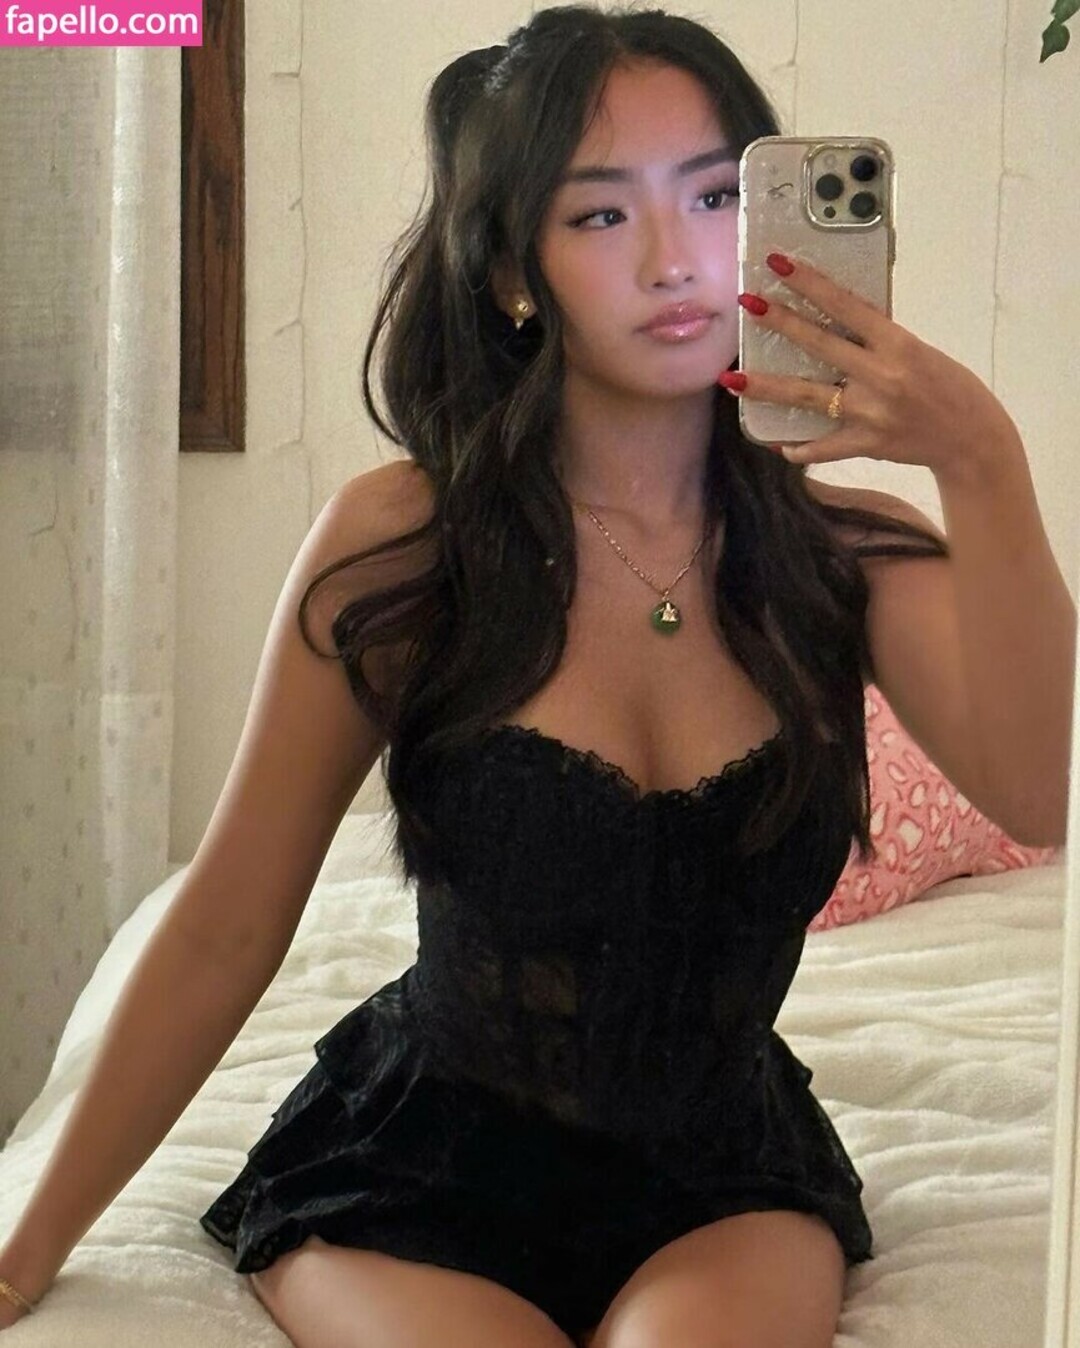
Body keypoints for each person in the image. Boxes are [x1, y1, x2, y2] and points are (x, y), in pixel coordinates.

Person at [9, 3, 1061, 1345]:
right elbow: (225, 922)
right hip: (419, 1168)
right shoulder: (408, 545)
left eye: (716, 196)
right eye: (603, 215)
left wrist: (981, 459)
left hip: (723, 1179)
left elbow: (1043, 789)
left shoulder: (845, 555)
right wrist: (24, 1248)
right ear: (515, 271)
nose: (676, 260)